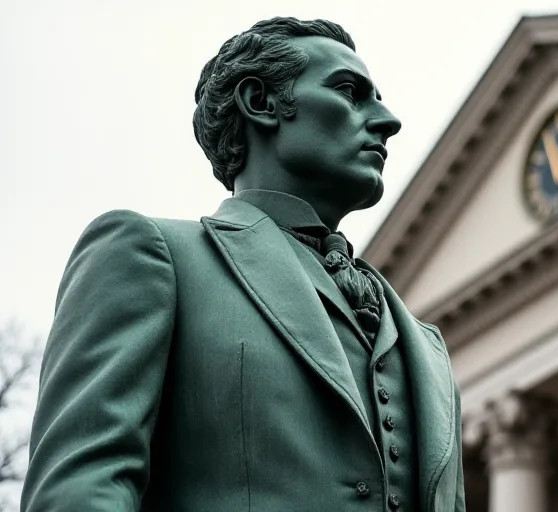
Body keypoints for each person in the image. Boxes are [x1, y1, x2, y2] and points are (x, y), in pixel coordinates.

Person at [22, 17, 465, 512]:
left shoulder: (425, 348)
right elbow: (79, 493)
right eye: (349, 91)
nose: (388, 120)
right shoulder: (151, 253)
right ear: (260, 103)